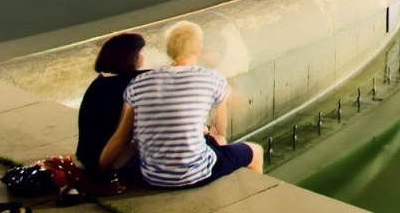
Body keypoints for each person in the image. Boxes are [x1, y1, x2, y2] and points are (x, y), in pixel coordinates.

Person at [99, 21, 262, 188]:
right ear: (198, 49)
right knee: (254, 151)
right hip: (197, 174)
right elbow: (220, 129)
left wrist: (98, 172)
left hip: (152, 177)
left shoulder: (138, 83)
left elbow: (120, 138)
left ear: (169, 49)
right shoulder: (212, 79)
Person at [76, 32, 145, 187]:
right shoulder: (130, 85)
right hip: (108, 160)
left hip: (89, 156)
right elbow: (121, 139)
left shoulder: (101, 82)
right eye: (140, 51)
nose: (143, 55)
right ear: (131, 56)